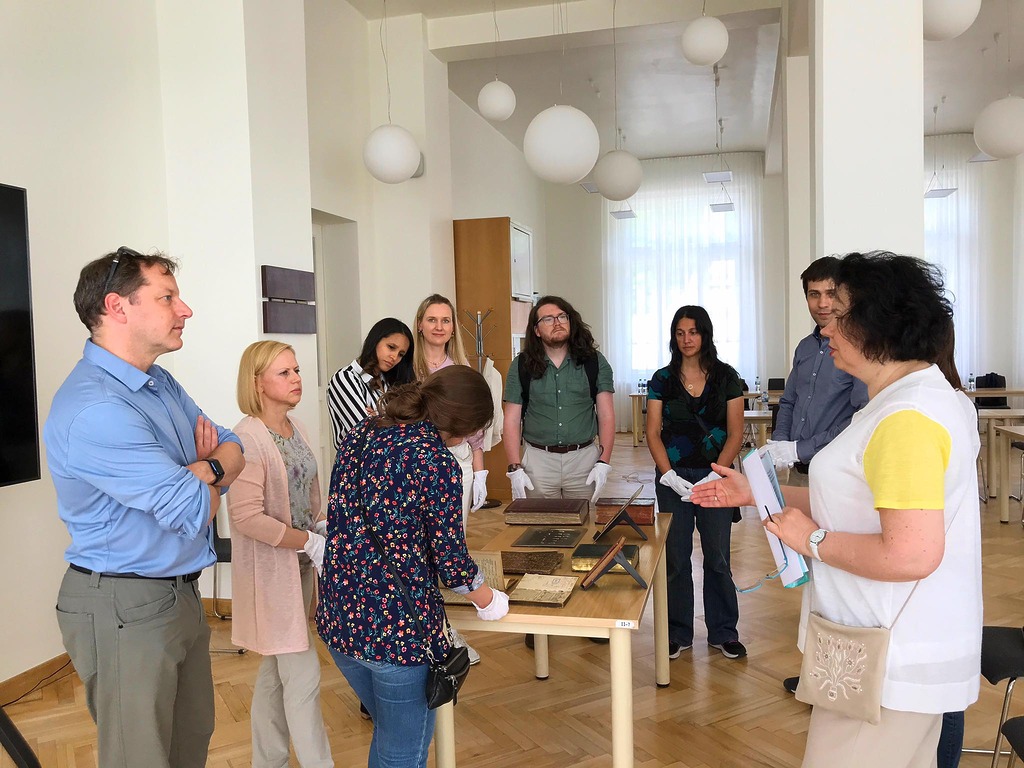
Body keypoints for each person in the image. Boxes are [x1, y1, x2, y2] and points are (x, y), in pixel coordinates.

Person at [691, 251, 982, 767]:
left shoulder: (907, 419)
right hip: (881, 649)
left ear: (877, 324)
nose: (825, 328)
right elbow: (858, 503)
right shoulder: (903, 400)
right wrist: (758, 495)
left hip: (889, 659)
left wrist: (810, 541)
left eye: (838, 316)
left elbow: (911, 553)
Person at [45, 246, 244, 767]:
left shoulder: (156, 381)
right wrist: (206, 472)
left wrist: (208, 471)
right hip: (123, 603)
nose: (186, 309)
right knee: (140, 758)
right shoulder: (97, 409)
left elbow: (230, 443)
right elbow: (190, 510)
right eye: (168, 297)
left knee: (188, 744)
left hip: (176, 593)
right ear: (117, 307)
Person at [317, 366, 510, 767]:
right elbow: (453, 567)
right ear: (464, 424)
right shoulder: (437, 463)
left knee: (390, 739)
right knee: (403, 754)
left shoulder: (361, 434)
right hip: (398, 634)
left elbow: (339, 517)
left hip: (340, 619)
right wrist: (489, 599)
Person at [229, 341, 333, 768]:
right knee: (303, 677)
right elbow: (246, 517)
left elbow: (309, 494)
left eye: (296, 371)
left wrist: (322, 527)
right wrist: (306, 540)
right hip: (272, 575)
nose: (296, 380)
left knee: (275, 676)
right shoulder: (247, 439)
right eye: (284, 373)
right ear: (257, 383)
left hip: (301, 568)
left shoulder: (297, 427)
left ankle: (266, 762)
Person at [769, 256, 868, 693]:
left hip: (838, 476)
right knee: (813, 578)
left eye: (831, 293)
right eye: (814, 294)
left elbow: (857, 417)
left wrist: (803, 448)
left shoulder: (858, 347)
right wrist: (780, 445)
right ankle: (817, 674)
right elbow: (789, 402)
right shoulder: (806, 348)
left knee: (835, 577)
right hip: (803, 474)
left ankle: (835, 681)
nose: (823, 303)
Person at [646, 305, 747, 660]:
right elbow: (652, 431)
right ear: (673, 337)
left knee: (718, 555)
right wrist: (667, 474)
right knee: (675, 557)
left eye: (693, 332)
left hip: (716, 477)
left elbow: (737, 432)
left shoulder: (727, 377)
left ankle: (723, 631)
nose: (687, 339)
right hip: (673, 478)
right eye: (680, 332)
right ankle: (677, 631)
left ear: (705, 334)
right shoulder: (662, 378)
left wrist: (716, 471)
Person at [502, 295, 615, 503]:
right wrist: (515, 466)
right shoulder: (521, 365)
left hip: (584, 459)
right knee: (540, 528)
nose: (557, 323)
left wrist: (603, 462)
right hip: (537, 461)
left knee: (583, 528)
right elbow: (511, 420)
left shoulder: (594, 362)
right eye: (548, 319)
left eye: (562, 316)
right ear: (536, 330)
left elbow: (606, 415)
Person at [412, 294, 488, 520]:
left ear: (453, 328)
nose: (439, 327)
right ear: (419, 325)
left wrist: (479, 473)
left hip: (457, 459)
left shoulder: (461, 369)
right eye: (432, 320)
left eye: (445, 320)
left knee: (454, 540)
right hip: (416, 462)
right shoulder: (406, 368)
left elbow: (475, 429)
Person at [326, 318, 415, 451]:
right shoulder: (345, 378)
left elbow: (415, 427)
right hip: (358, 467)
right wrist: (393, 421)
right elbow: (366, 435)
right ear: (375, 340)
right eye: (391, 347)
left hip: (392, 465)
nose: (394, 357)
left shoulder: (391, 382)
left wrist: (378, 419)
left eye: (401, 354)